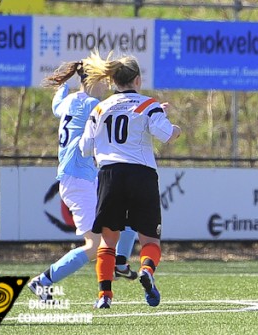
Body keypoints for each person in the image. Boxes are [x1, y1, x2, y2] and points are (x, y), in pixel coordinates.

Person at [28, 59, 139, 301]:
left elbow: (57, 105)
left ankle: (119, 262)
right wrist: (149, 110)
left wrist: (63, 87)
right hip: (78, 180)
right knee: (94, 244)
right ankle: (43, 281)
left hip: (85, 178)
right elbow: (119, 115)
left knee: (127, 213)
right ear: (93, 81)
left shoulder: (70, 102)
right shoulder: (92, 105)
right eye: (104, 82)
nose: (107, 87)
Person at [79, 52, 182, 309]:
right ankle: (146, 271)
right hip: (141, 175)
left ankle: (104, 296)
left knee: (108, 241)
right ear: (137, 80)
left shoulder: (99, 108)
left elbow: (84, 148)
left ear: (113, 80)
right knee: (149, 240)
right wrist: (173, 127)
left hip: (110, 175)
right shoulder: (149, 105)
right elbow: (166, 134)